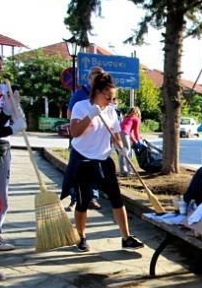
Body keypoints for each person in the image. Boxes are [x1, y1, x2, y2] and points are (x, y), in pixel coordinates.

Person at [62, 73, 144, 252]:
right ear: (97, 92)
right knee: (83, 201)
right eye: (108, 97)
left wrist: (120, 147)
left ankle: (126, 237)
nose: (111, 101)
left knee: (116, 199)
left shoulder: (111, 111)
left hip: (103, 159)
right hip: (83, 160)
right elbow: (74, 132)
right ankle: (82, 237)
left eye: (113, 98)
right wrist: (90, 116)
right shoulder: (81, 107)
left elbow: (114, 134)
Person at [66, 66, 104, 210]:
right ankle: (75, 199)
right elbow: (70, 114)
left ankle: (93, 198)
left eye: (100, 74)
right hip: (81, 138)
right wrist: (84, 122)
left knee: (95, 168)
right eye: (95, 74)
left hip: (96, 141)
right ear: (89, 78)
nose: (98, 77)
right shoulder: (80, 94)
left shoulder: (103, 94)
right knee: (77, 169)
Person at [0, 54, 26, 252]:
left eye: (0, 67)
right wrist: (11, 127)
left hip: (2, 147)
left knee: (2, 198)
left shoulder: (2, 89)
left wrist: (12, 111)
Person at [118, 106, 142, 176]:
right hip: (124, 133)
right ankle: (127, 171)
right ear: (137, 113)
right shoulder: (136, 119)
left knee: (123, 151)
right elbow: (136, 132)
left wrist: (135, 141)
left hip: (119, 133)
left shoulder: (127, 118)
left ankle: (124, 170)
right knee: (127, 151)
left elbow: (130, 133)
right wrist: (138, 141)